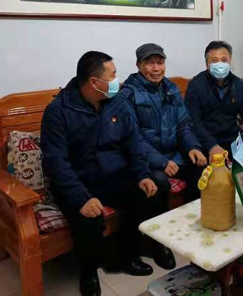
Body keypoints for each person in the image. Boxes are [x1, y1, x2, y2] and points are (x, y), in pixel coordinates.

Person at [41, 51, 175, 296]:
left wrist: (142, 174)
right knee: (89, 218)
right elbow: (55, 162)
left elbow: (133, 143)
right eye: (112, 75)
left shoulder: (116, 102)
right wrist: (81, 198)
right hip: (79, 180)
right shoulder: (58, 111)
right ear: (94, 82)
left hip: (114, 174)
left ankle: (126, 256)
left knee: (152, 189)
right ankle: (88, 272)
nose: (117, 81)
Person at [121, 43, 207, 206]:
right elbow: (133, 138)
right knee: (159, 182)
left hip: (174, 155)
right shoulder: (128, 94)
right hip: (146, 161)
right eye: (150, 63)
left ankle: (192, 217)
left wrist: (193, 147)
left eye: (160, 63)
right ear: (138, 65)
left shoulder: (171, 89)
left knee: (202, 168)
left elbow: (183, 124)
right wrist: (161, 162)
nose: (156, 69)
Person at [185, 41, 243, 166]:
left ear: (230, 62)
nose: (220, 64)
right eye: (215, 60)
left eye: (224, 60)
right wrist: (212, 146)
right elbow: (194, 122)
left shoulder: (237, 84)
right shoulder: (196, 85)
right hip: (205, 140)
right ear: (207, 64)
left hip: (232, 139)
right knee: (201, 166)